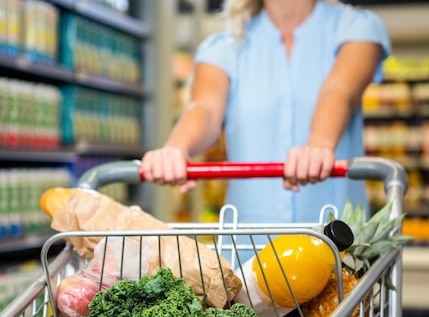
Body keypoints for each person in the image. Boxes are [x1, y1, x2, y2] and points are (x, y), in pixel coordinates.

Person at [141, 0, 391, 226]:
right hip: (248, 250)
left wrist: (319, 145)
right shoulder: (223, 48)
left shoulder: (356, 29)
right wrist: (176, 147)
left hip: (339, 251)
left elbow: (340, 92)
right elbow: (204, 109)